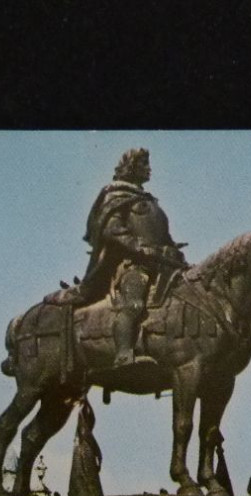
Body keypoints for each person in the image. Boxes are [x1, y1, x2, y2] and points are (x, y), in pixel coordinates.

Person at [66, 147, 188, 370]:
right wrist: (139, 247)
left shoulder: (149, 201)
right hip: (134, 265)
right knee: (133, 303)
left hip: (163, 266)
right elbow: (112, 229)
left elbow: (163, 236)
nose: (148, 169)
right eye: (143, 164)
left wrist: (174, 251)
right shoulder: (115, 195)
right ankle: (123, 354)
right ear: (130, 167)